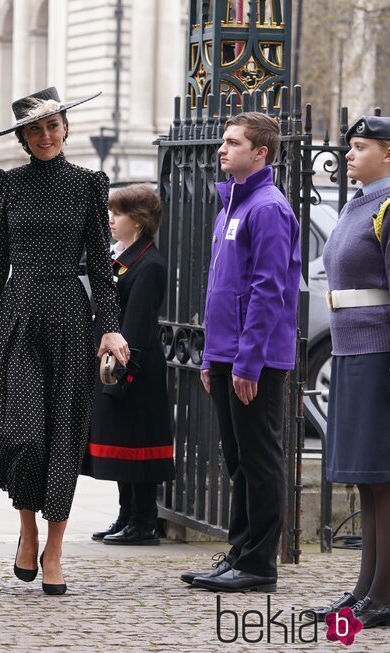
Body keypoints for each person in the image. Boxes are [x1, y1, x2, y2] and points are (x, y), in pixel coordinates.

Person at [0, 87, 129, 596]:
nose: (45, 136)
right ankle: (26, 530)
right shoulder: (7, 186)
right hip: (18, 317)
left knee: (63, 437)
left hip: (69, 318)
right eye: (35, 129)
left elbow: (102, 271)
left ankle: (55, 548)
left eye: (53, 126)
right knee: (23, 434)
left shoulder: (88, 185)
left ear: (65, 128)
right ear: (22, 136)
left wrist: (110, 325)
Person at [181, 112, 300, 593]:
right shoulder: (230, 206)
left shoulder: (268, 208)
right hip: (228, 354)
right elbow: (220, 288)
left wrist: (247, 360)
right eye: (223, 142)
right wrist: (213, 356)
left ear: (261, 153)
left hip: (258, 359)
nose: (221, 149)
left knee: (259, 458)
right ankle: (239, 551)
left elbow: (268, 289)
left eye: (233, 143)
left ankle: (258, 564)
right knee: (237, 459)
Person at [310, 115, 390, 627]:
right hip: (350, 348)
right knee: (365, 478)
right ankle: (365, 587)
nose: (350, 155)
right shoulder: (359, 204)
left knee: (382, 478)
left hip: (379, 350)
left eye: (361, 147)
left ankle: (382, 594)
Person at [84, 184, 173, 545]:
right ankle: (125, 514)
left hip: (134, 367)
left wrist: (120, 371)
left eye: (118, 213)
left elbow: (135, 326)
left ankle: (144, 520)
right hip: (113, 363)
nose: (111, 219)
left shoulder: (149, 263)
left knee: (139, 445)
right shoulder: (122, 257)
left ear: (138, 221)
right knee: (121, 444)